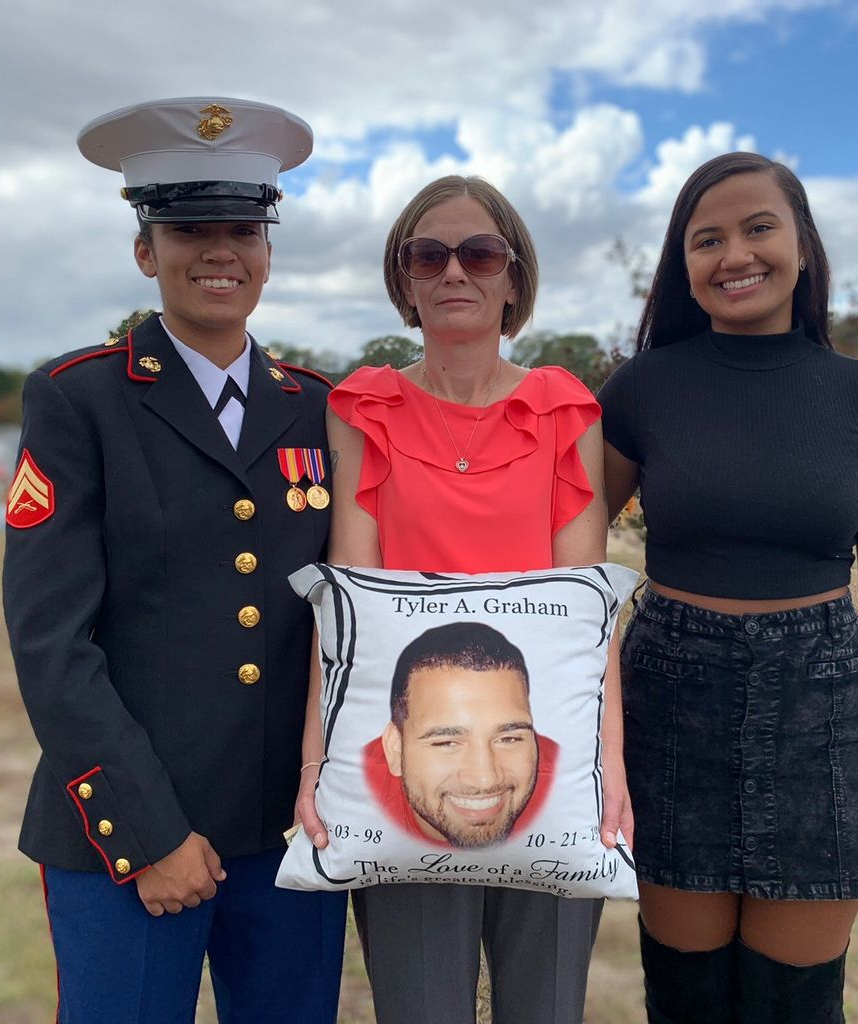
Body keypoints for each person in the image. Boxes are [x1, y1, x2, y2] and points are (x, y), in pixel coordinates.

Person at [2, 97, 346, 1024]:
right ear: (146, 251)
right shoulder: (78, 400)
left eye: (244, 230)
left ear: (268, 253)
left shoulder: (318, 408)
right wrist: (148, 835)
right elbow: (51, 644)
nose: (219, 251)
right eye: (190, 229)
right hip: (130, 840)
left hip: (287, 836)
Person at [296, 174, 627, 1024]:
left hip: (547, 759)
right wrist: (316, 764)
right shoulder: (361, 408)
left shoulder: (566, 412)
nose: (453, 271)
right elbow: (347, 608)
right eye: (427, 255)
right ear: (403, 279)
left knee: (546, 1009)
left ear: (513, 278)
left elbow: (589, 617)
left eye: (479, 253)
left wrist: (610, 765)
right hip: (412, 767)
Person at [597, 151, 858, 1023]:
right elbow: (570, 560)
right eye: (707, 240)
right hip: (672, 707)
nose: (734, 254)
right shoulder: (642, 390)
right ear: (684, 266)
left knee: (796, 1006)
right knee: (687, 999)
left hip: (824, 718)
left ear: (803, 246)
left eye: (759, 228)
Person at [364, 621, 557, 848]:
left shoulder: (564, 780)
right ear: (395, 749)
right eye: (447, 743)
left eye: (509, 739)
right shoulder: (355, 786)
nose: (485, 779)